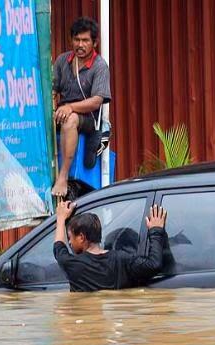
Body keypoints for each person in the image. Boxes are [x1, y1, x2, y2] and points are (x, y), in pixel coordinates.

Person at [52, 17, 112, 197]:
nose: (80, 44)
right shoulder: (63, 61)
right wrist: (53, 107)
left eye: (85, 40)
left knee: (70, 120)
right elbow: (53, 90)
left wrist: (70, 107)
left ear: (95, 42)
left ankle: (63, 177)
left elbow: (96, 101)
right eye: (77, 40)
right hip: (63, 112)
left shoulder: (100, 66)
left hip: (88, 119)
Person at [53, 201, 167, 292]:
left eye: (70, 237)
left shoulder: (71, 264)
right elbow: (154, 264)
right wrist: (156, 231)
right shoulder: (122, 259)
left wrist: (61, 218)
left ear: (81, 237)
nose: (70, 242)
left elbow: (59, 246)